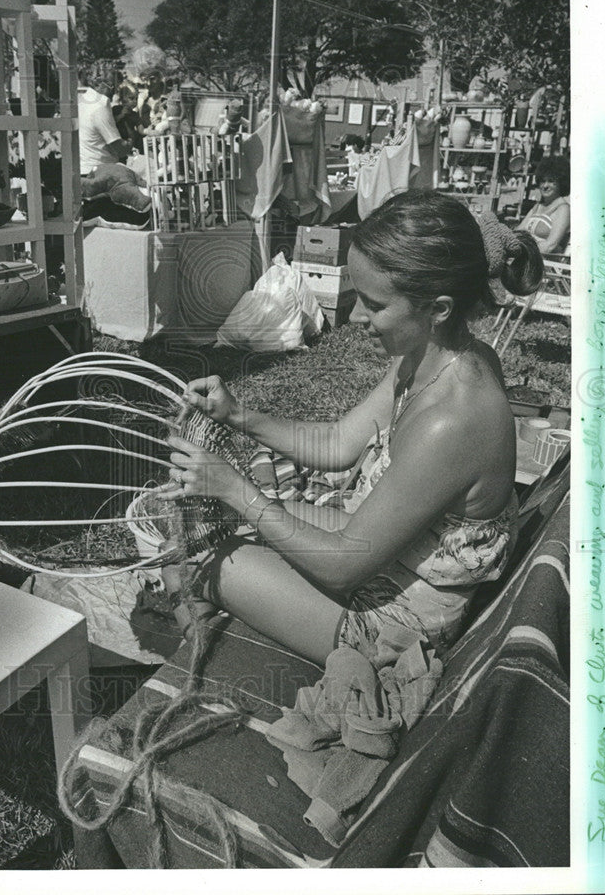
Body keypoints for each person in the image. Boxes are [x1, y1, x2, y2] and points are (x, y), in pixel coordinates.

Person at [159, 189, 544, 666]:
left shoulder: (454, 418)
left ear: (438, 308)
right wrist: (237, 414)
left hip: (396, 625)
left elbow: (343, 568)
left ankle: (208, 668)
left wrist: (234, 488)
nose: (356, 317)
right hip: (390, 562)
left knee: (195, 561)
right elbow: (339, 443)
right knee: (254, 524)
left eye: (374, 304)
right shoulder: (431, 358)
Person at [77, 73, 131, 175]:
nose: (115, 91)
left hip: (86, 168)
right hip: (100, 171)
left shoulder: (83, 100)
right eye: (113, 86)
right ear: (99, 85)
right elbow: (118, 147)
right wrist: (130, 142)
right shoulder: (99, 107)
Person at [517, 156, 570, 254]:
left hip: (546, 263)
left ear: (561, 183)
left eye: (551, 181)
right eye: (542, 181)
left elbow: (550, 246)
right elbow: (518, 232)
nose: (545, 186)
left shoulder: (563, 209)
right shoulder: (538, 206)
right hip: (527, 255)